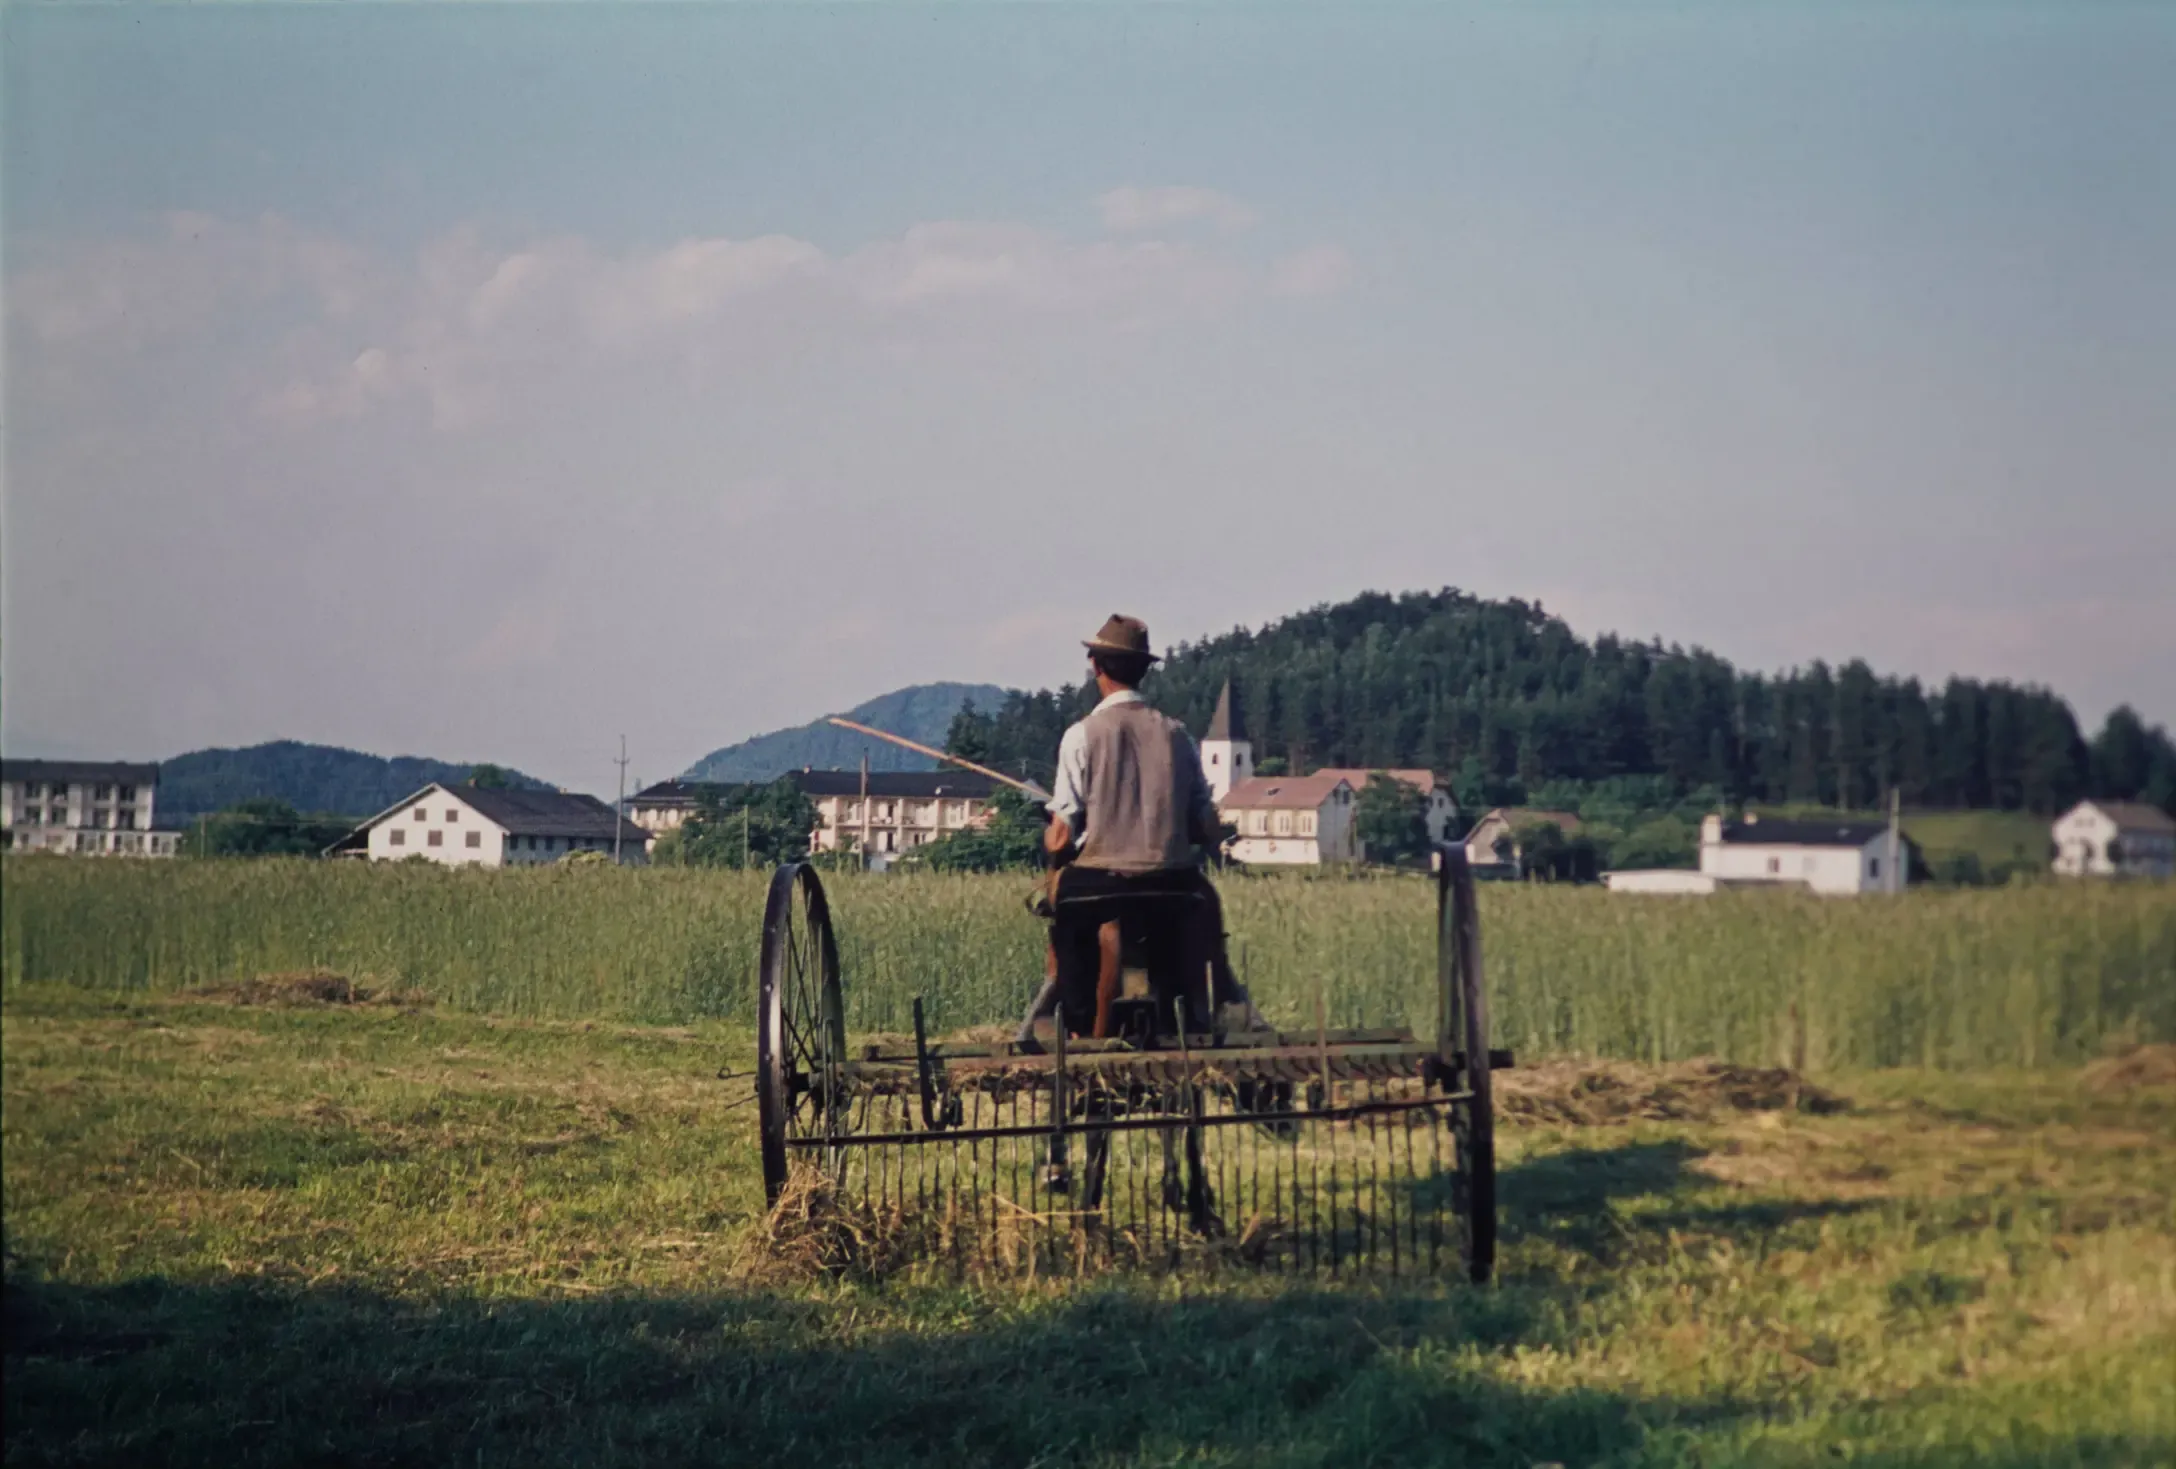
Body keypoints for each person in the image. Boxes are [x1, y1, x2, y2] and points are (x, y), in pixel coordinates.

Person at [1014, 614, 1263, 1043]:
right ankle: (1205, 1005)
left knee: (1066, 919)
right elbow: (1205, 823)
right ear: (1144, 671)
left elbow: (1060, 834)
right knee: (1200, 912)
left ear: (1096, 666)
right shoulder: (1178, 736)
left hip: (1098, 884)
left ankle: (1074, 1021)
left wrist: (1054, 853)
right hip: (1172, 884)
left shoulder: (1081, 735)